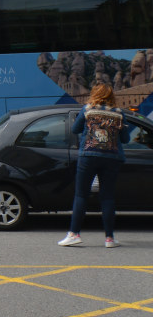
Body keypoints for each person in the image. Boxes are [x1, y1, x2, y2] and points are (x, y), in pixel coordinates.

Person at [58, 84, 131, 248]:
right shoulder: (119, 113)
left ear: (95, 94)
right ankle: (109, 239)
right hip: (111, 157)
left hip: (88, 156)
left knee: (81, 195)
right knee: (107, 197)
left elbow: (75, 129)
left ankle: (74, 234)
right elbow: (125, 139)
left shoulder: (88, 109)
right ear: (112, 96)